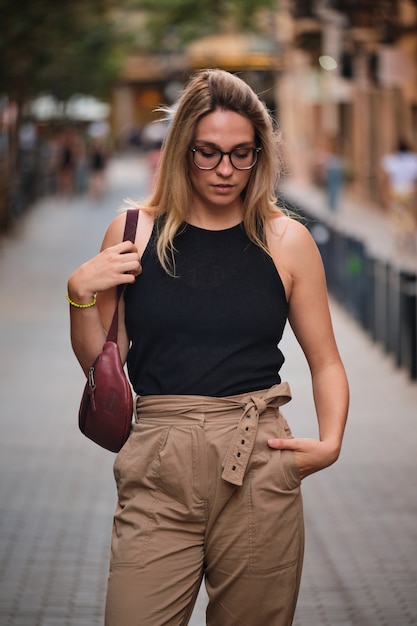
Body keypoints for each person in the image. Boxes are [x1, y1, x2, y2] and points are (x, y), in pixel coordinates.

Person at [67, 69, 349, 626]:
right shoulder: (133, 232)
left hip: (259, 459)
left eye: (242, 154)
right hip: (158, 463)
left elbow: (327, 360)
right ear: (181, 152)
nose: (226, 170)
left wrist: (332, 441)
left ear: (260, 154)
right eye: (209, 153)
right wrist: (78, 297)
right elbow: (102, 367)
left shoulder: (286, 241)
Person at [380, 138, 417, 251]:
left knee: (397, 216)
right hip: (410, 192)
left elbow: (387, 177)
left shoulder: (392, 160)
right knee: (410, 216)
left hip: (396, 192)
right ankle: (409, 236)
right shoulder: (413, 160)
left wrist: (385, 193)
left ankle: (400, 240)